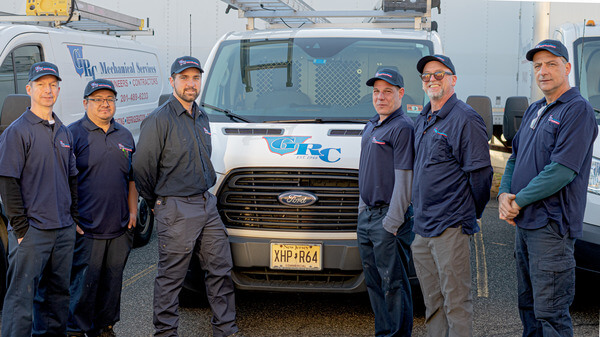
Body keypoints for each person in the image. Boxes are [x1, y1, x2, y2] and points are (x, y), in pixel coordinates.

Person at [133, 56, 241, 337]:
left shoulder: (201, 115)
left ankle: (225, 329)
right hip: (176, 206)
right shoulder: (158, 120)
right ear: (172, 82)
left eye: (195, 78)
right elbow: (142, 167)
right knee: (172, 277)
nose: (190, 84)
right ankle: (166, 333)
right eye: (184, 78)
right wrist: (159, 202)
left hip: (206, 203)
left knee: (220, 269)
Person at [498, 40, 598, 336]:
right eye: (538, 66)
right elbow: (515, 156)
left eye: (551, 64)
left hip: (551, 228)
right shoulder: (536, 109)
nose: (543, 71)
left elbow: (562, 171)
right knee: (528, 307)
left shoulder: (577, 110)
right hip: (526, 225)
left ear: (567, 68)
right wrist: (504, 193)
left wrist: (519, 201)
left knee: (551, 313)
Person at [411, 55, 492, 337]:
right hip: (422, 230)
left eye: (439, 74)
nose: (432, 79)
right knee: (433, 303)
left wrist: (468, 214)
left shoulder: (465, 119)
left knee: (456, 304)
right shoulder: (423, 118)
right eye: (426, 76)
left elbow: (481, 176)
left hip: (450, 228)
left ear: (453, 80)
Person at [0, 62, 79, 337]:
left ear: (58, 89)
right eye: (41, 84)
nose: (48, 90)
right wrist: (21, 229)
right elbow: (8, 182)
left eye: (52, 84)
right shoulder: (17, 131)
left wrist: (73, 219)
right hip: (33, 232)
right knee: (20, 299)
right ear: (29, 89)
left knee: (57, 296)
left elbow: (72, 179)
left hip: (63, 229)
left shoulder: (64, 131)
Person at [66, 79, 138, 337]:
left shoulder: (125, 136)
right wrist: (70, 218)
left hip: (119, 229)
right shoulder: (72, 135)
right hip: (87, 230)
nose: (105, 104)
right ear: (85, 103)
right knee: (83, 287)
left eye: (109, 99)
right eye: (98, 99)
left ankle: (105, 328)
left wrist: (132, 212)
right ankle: (75, 330)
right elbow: (63, 180)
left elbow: (131, 178)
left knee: (111, 287)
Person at [357, 68, 415, 337]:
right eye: (376, 91)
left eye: (387, 92)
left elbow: (405, 179)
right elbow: (365, 170)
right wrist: (361, 210)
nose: (380, 97)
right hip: (367, 217)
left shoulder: (402, 127)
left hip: (388, 220)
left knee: (393, 285)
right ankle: (384, 333)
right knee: (375, 284)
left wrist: (392, 221)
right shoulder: (372, 125)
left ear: (400, 94)